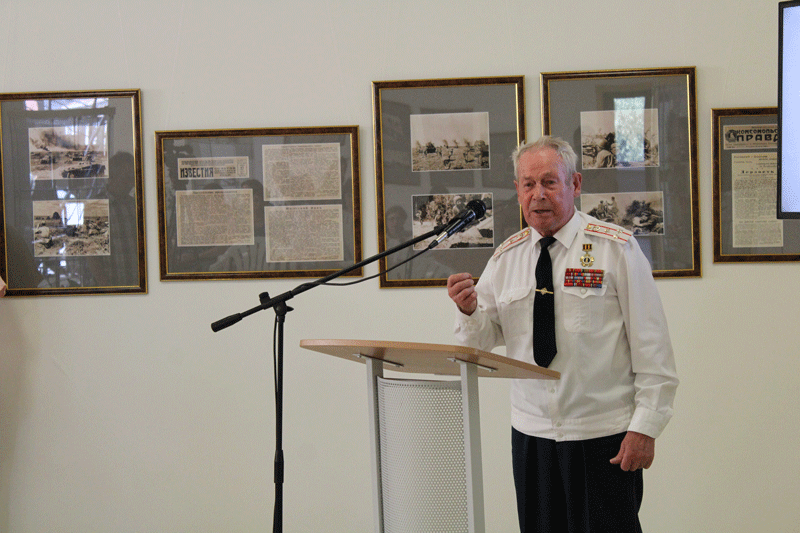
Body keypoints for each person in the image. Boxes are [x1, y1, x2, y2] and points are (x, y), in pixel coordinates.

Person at [446, 136, 678, 532]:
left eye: (549, 182)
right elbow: (480, 343)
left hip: (602, 435)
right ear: (518, 189)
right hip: (532, 435)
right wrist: (468, 310)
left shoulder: (615, 249)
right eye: (528, 184)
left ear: (575, 184)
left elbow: (653, 347)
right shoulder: (506, 258)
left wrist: (645, 427)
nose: (538, 194)